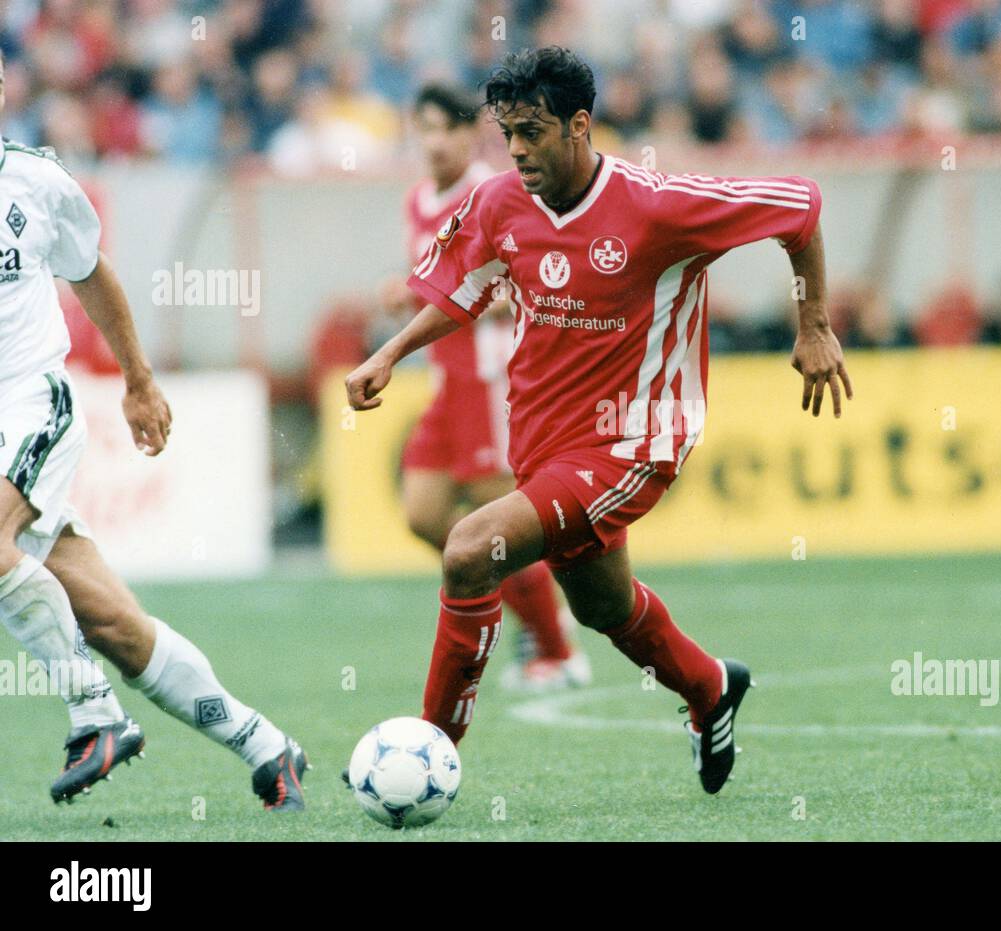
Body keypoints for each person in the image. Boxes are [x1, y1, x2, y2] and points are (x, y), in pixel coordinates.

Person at [345, 47, 851, 793]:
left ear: (580, 126)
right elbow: (463, 289)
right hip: (545, 442)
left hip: (633, 440)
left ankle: (430, 752)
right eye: (508, 132)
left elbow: (801, 206)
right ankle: (710, 685)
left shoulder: (657, 205)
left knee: (467, 547)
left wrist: (813, 326)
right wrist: (390, 353)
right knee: (603, 605)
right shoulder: (499, 204)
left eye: (533, 131)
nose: (516, 149)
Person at [0, 54, 309, 810]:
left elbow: (91, 272)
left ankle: (97, 717)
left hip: (29, 400)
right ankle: (267, 746)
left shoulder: (33, 182)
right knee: (109, 622)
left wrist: (138, 379)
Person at [383, 82, 588, 692]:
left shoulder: (490, 191)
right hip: (447, 379)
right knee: (423, 516)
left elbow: (520, 276)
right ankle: (522, 604)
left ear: (471, 135)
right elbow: (439, 274)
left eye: (448, 127)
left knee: (500, 513)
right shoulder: (418, 200)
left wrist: (457, 296)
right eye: (426, 128)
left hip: (490, 376)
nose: (436, 140)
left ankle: (555, 647)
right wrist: (408, 289)